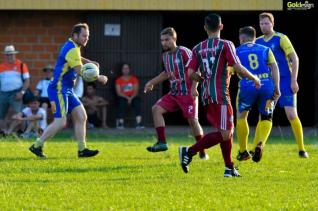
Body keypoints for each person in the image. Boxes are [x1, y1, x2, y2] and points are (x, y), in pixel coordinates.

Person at [178, 13, 261, 177]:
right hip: (220, 95)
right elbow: (236, 66)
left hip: (207, 95)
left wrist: (199, 80)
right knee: (225, 133)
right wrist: (254, 77)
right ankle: (189, 151)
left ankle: (229, 168)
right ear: (221, 27)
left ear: (205, 28)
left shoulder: (198, 48)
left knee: (226, 130)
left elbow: (189, 73)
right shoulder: (226, 44)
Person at [28, 23, 108, 158]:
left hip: (67, 89)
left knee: (82, 116)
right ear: (75, 35)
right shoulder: (72, 48)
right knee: (61, 121)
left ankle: (82, 150)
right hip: (58, 89)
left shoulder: (72, 46)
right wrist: (100, 77)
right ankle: (37, 145)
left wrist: (89, 61)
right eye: (84, 36)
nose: (86, 39)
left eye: (87, 36)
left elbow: (76, 58)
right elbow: (81, 71)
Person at [144, 27, 208, 160]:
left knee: (193, 121)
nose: (164, 43)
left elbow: (197, 69)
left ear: (174, 39)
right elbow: (166, 73)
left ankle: (202, 150)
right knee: (156, 109)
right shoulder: (165, 56)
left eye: (167, 40)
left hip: (188, 93)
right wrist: (151, 82)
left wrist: (194, 88)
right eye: (162, 40)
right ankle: (162, 142)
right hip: (174, 93)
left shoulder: (184, 52)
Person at [255, 12, 308, 158]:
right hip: (268, 83)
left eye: (266, 23)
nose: (264, 26)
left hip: (285, 81)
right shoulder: (257, 41)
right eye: (261, 24)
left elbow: (294, 58)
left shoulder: (281, 38)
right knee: (264, 115)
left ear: (273, 24)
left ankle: (302, 149)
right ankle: (256, 148)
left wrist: (294, 79)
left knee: (291, 115)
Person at [235, 26, 280, 162]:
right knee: (267, 116)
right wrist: (277, 87)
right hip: (267, 85)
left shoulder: (237, 51)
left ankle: (243, 151)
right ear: (255, 38)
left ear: (242, 38)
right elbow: (274, 67)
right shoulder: (265, 49)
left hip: (248, 86)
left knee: (242, 117)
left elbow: (235, 69)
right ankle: (259, 144)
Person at [0, 45, 30, 133]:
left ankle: (21, 133)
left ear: (15, 54)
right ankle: (4, 133)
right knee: (1, 115)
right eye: (7, 54)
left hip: (16, 93)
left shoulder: (21, 65)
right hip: (3, 93)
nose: (9, 56)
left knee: (19, 114)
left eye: (11, 54)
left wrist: (22, 92)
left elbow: (27, 80)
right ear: (5, 55)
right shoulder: (1, 66)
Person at [115, 63, 144, 129]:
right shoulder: (118, 80)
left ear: (129, 69)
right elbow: (119, 92)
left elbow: (136, 91)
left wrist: (130, 98)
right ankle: (120, 123)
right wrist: (128, 98)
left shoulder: (134, 79)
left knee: (137, 103)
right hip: (123, 96)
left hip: (133, 96)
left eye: (127, 68)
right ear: (122, 70)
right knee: (121, 103)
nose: (126, 70)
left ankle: (139, 123)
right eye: (124, 68)